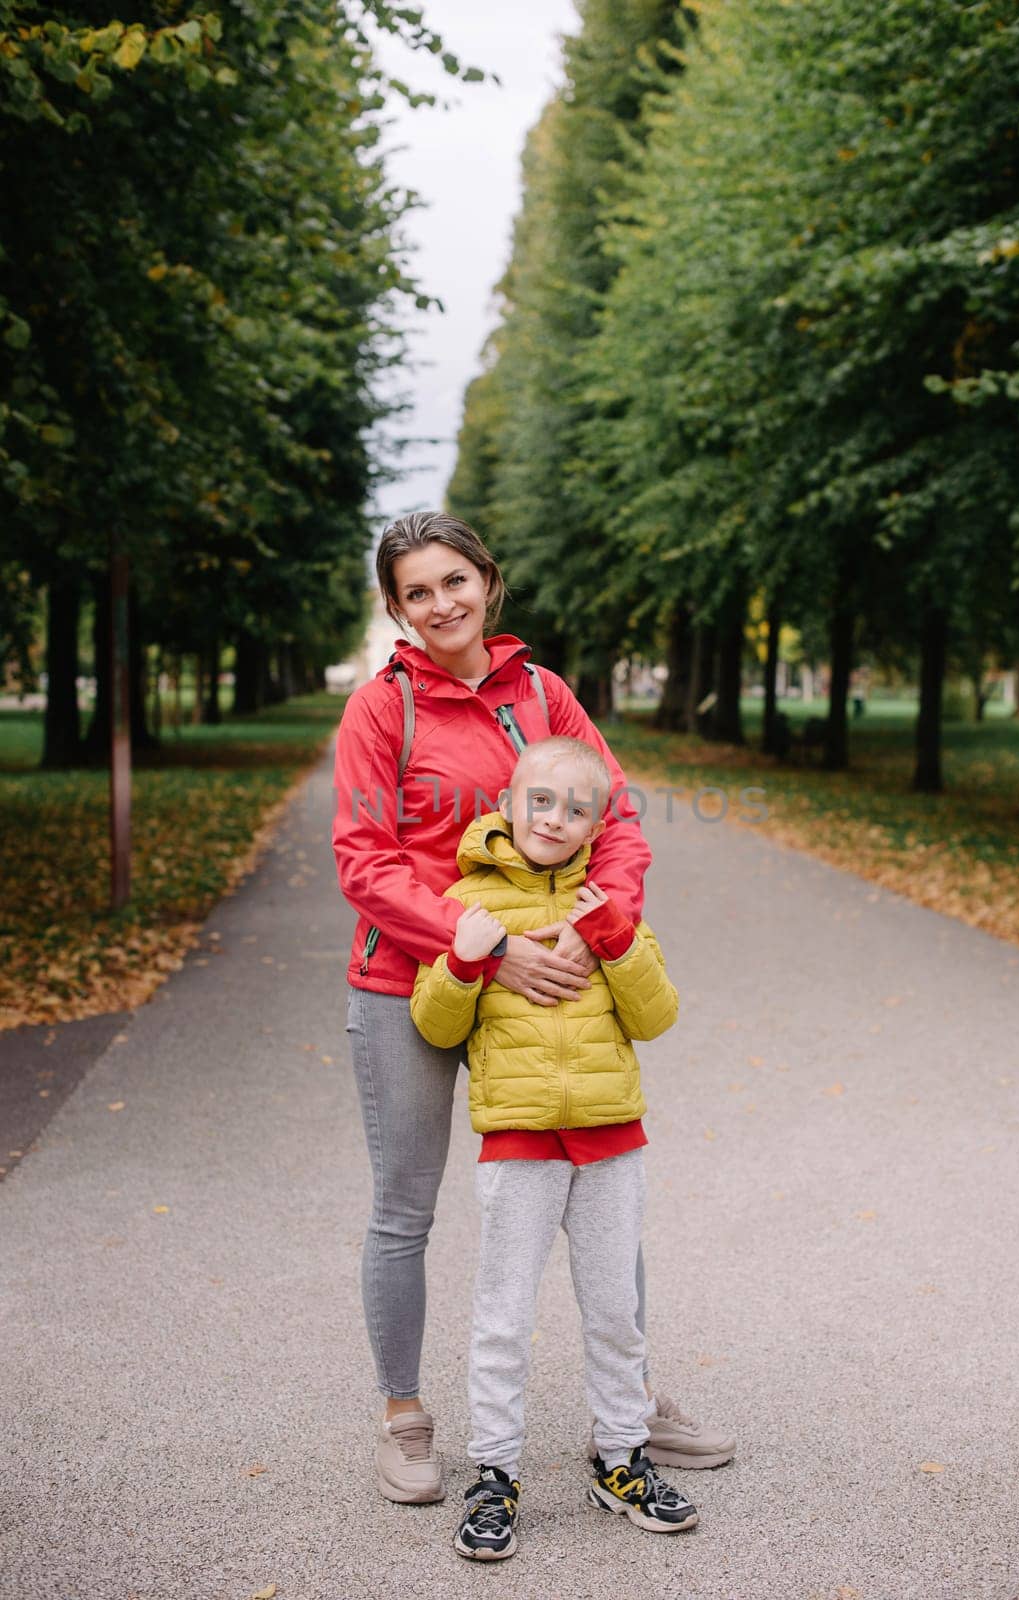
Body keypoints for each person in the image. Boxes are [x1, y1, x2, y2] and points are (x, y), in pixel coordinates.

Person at [332, 510, 735, 1505]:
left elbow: (620, 812)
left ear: (487, 581)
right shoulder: (381, 709)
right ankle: (405, 1419)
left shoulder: (544, 694)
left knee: (599, 1188)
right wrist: (485, 949)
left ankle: (628, 1403)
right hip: (418, 976)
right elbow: (365, 859)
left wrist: (598, 922)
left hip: (550, 971)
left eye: (454, 581)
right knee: (404, 1207)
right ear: (396, 607)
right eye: (416, 591)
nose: (441, 604)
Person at [411, 735, 700, 1560]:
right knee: (504, 1316)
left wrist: (614, 938)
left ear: (595, 824)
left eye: (577, 809)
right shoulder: (468, 900)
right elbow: (436, 1023)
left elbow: (657, 1015)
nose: (555, 818)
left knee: (615, 1312)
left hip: (612, 1142)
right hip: (520, 1144)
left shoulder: (607, 903)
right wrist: (465, 967)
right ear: (509, 802)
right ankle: (494, 1475)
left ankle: (621, 1460)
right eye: (541, 800)